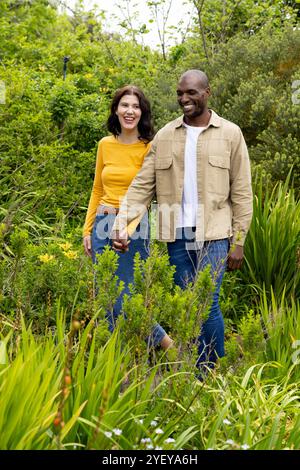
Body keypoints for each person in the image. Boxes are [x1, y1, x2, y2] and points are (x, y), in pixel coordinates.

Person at [112, 70, 253, 370]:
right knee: (188, 304)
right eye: (180, 93)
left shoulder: (230, 134)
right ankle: (194, 370)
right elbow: (141, 186)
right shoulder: (165, 136)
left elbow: (242, 192)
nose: (184, 99)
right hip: (177, 234)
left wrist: (238, 241)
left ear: (207, 92)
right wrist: (122, 223)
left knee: (206, 301)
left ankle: (208, 372)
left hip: (215, 234)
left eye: (191, 93)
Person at [83, 85, 173, 351]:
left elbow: (148, 194)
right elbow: (97, 189)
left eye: (135, 106)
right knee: (107, 298)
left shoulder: (149, 147)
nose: (129, 111)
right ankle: (119, 363)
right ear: (116, 110)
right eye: (125, 105)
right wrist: (87, 230)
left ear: (142, 112)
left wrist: (127, 228)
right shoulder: (105, 145)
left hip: (135, 227)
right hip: (103, 224)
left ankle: (171, 349)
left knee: (127, 299)